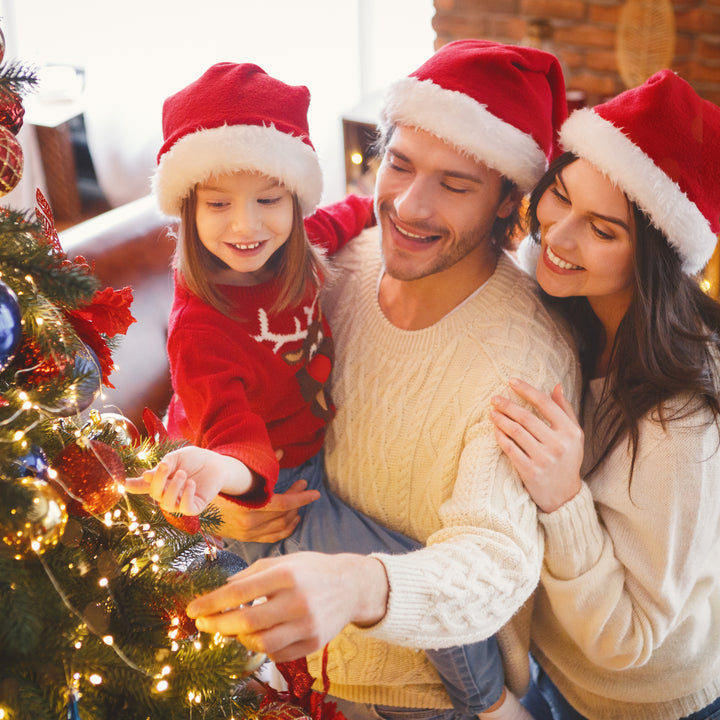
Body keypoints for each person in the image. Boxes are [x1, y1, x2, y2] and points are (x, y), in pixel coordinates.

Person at [184, 40, 582, 719]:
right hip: (283, 663)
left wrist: (360, 585)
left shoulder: (520, 357)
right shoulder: (335, 262)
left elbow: (495, 561)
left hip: (415, 697)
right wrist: (231, 501)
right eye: (398, 165)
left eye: (455, 185)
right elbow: (231, 399)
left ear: (507, 200)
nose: (410, 206)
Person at [489, 69, 720, 719]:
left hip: (646, 701)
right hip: (560, 667)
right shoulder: (577, 305)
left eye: (603, 229)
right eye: (559, 195)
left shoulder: (682, 423)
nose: (556, 237)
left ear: (652, 255)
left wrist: (564, 499)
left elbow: (630, 637)